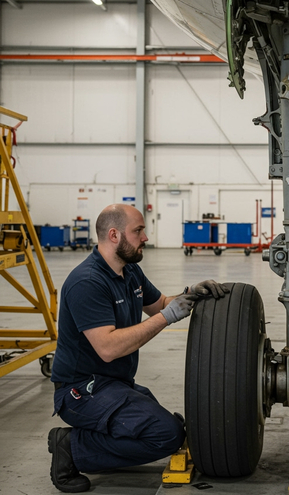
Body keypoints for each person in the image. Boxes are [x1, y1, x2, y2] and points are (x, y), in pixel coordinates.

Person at [48, 203, 228, 493]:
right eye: (138, 231)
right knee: (165, 436)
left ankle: (94, 437)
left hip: (114, 383)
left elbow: (160, 305)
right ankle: (71, 447)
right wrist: (166, 318)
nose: (145, 237)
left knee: (169, 425)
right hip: (81, 391)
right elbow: (107, 348)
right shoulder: (87, 282)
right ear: (114, 235)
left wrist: (190, 294)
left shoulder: (129, 272)